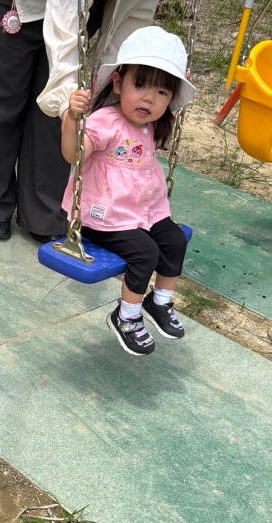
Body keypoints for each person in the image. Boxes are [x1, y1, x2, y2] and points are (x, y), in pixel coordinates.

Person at [0, 1, 157, 242]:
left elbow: (131, 17)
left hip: (81, 10)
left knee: (55, 120)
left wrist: (104, 84)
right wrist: (66, 99)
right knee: (0, 99)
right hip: (18, 7)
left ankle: (44, 213)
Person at [59, 25, 196, 356]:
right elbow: (73, 154)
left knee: (175, 240)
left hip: (143, 212)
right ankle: (127, 317)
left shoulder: (152, 127)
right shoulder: (105, 121)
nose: (150, 98)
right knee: (146, 252)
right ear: (119, 83)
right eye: (141, 85)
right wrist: (70, 120)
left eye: (163, 92)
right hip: (104, 216)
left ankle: (159, 301)